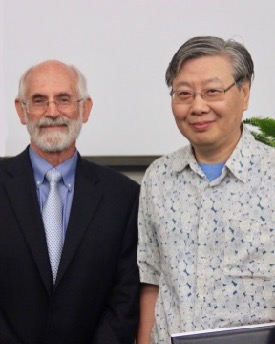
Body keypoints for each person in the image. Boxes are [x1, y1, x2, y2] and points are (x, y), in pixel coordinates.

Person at [137, 36, 275, 343]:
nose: (198, 107)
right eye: (184, 94)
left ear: (245, 92)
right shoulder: (158, 178)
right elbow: (151, 278)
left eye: (212, 92)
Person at [0, 59, 140, 344]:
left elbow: (124, 297)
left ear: (84, 109)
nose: (52, 112)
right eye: (39, 101)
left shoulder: (122, 196)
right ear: (21, 110)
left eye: (63, 99)